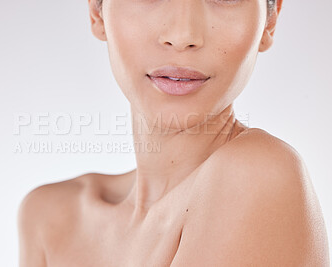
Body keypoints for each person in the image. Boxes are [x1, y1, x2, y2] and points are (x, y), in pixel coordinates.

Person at [18, 0, 330, 266]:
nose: (182, 36)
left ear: (269, 20)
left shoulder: (258, 175)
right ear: (98, 12)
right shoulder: (49, 218)